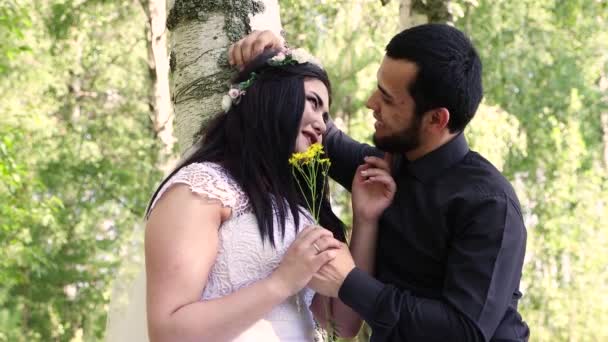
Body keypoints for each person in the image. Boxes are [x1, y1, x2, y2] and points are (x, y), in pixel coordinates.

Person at [230, 24, 530, 341]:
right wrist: (278, 57)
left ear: (436, 119)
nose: (371, 102)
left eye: (387, 98)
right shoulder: (384, 168)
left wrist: (349, 281)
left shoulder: (489, 204)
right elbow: (315, 128)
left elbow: (462, 331)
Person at [105, 48, 388, 342]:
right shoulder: (201, 188)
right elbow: (168, 332)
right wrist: (281, 283)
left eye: (325, 114)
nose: (321, 125)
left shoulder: (300, 210)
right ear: (272, 96)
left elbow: (343, 324)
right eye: (313, 104)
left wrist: (365, 220)